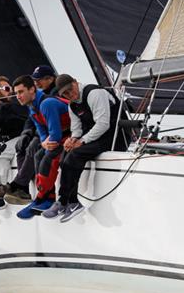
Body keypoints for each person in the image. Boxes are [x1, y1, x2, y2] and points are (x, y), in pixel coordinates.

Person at [41, 74, 128, 222]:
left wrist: (82, 141)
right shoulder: (72, 105)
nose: (70, 95)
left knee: (75, 155)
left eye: (70, 89)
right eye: (65, 94)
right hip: (97, 137)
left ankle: (65, 202)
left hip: (116, 137)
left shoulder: (94, 93)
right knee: (65, 156)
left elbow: (103, 124)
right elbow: (77, 129)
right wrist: (72, 139)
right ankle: (70, 202)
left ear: (75, 82)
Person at [12, 74, 71, 219]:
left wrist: (46, 143)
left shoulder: (46, 103)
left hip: (73, 135)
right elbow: (42, 132)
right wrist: (44, 142)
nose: (18, 96)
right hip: (60, 137)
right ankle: (47, 198)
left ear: (32, 89)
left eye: (21, 92)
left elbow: (55, 135)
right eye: (16, 93)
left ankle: (40, 197)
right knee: (38, 155)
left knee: (48, 158)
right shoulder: (32, 108)